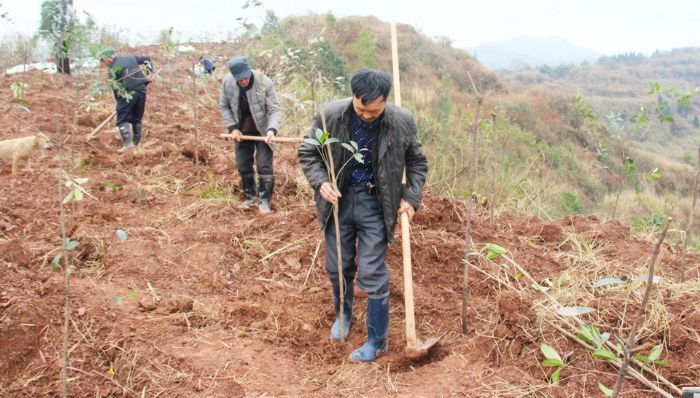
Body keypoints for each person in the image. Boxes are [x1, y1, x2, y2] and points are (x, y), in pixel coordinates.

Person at [298, 69, 429, 362]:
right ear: (353, 97)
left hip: (378, 202)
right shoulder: (330, 115)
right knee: (338, 265)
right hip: (339, 201)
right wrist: (321, 182)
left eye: (375, 111)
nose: (367, 116)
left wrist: (411, 197)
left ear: (385, 102)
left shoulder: (401, 121)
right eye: (361, 109)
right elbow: (308, 152)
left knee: (372, 270)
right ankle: (344, 315)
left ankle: (376, 340)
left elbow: (418, 162)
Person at [219, 56, 281, 214]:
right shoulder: (227, 83)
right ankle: (250, 197)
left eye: (246, 78)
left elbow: (274, 109)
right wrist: (233, 128)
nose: (244, 81)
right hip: (242, 129)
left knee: (264, 166)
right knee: (243, 165)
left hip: (263, 130)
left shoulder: (264, 82)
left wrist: (271, 130)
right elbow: (224, 106)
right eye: (240, 79)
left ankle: (265, 201)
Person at [99, 48, 154, 152]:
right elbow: (147, 59)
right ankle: (135, 145)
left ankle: (128, 145)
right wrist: (149, 74)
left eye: (103, 60)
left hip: (126, 94)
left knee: (122, 119)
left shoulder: (112, 70)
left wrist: (119, 105)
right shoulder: (130, 57)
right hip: (141, 90)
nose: (103, 63)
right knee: (136, 118)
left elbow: (116, 89)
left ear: (108, 58)